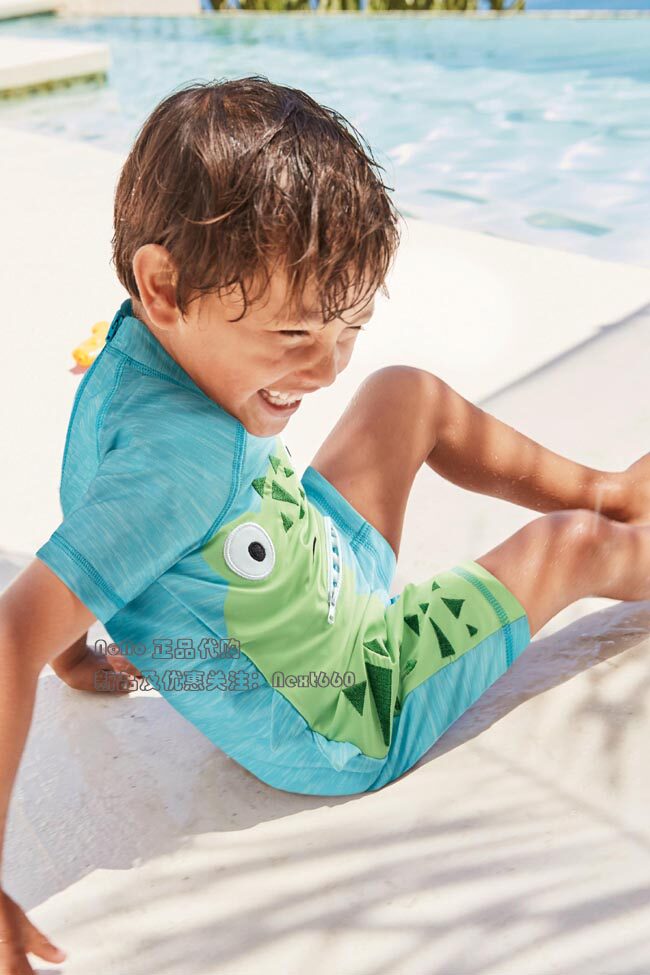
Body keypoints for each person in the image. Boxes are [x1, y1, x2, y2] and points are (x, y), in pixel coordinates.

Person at [1, 76, 648, 970]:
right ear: (164, 285)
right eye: (295, 335)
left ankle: (611, 488)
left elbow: (87, 511)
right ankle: (619, 531)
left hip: (316, 561)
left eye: (347, 329)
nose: (328, 367)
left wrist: (72, 651)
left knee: (403, 393)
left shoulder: (135, 349)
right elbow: (10, 633)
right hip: (347, 700)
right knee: (566, 549)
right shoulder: (179, 469)